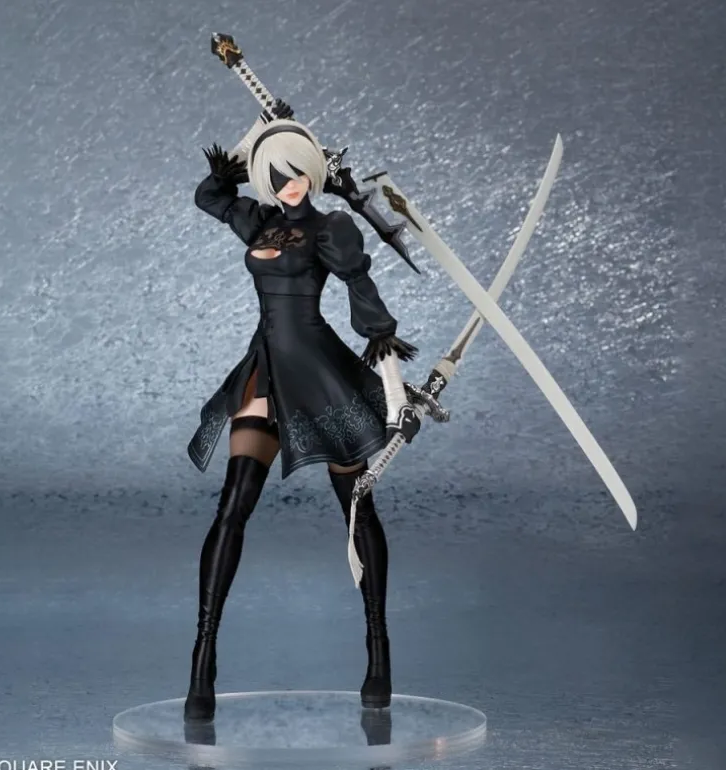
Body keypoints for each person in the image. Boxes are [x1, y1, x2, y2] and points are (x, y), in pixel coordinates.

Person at [183, 109, 421, 722]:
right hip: (263, 370)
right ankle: (203, 659)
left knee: (357, 506)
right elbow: (209, 195)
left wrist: (392, 381)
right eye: (279, 177)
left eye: (299, 174)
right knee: (232, 506)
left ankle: (378, 650)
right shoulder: (257, 220)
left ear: (313, 173)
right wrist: (253, 143)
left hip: (318, 374)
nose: (291, 186)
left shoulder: (331, 227)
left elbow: (364, 296)